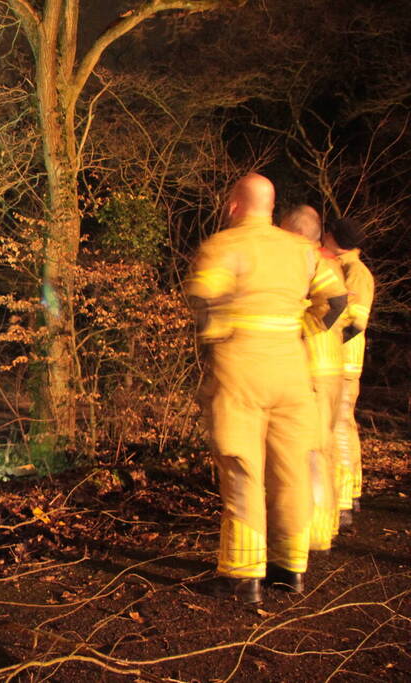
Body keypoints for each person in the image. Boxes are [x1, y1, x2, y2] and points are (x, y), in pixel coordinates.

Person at [185, 174, 347, 603]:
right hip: (291, 371)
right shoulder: (302, 250)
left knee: (243, 468)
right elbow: (336, 301)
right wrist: (302, 329)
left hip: (241, 370)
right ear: (272, 208)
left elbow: (204, 300)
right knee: (291, 469)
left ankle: (242, 576)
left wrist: (218, 336)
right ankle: (289, 569)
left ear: (235, 205)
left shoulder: (222, 246)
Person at [280, 205, 345, 553]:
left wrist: (301, 327)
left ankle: (314, 533)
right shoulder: (327, 261)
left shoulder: (304, 260)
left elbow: (335, 303)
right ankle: (326, 525)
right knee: (324, 447)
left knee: (310, 452)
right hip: (330, 366)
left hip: (313, 367)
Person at [323, 218, 374, 529]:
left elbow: (355, 322)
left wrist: (321, 338)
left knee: (339, 427)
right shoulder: (349, 268)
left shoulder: (354, 273)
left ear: (334, 237)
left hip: (342, 363)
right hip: (344, 362)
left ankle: (342, 502)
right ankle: (351, 492)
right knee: (345, 426)